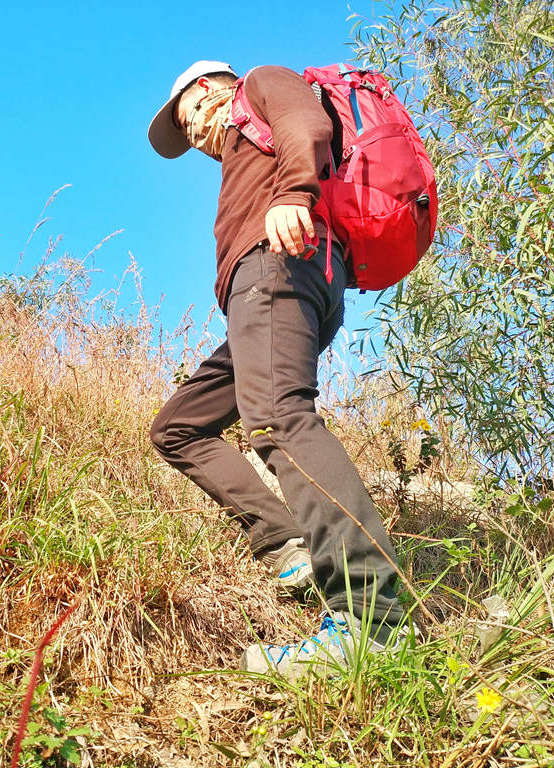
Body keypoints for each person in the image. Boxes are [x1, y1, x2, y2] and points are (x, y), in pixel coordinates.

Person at [147, 61, 412, 676]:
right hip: (268, 283)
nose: (190, 134)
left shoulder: (261, 84)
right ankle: (286, 541)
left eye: (186, 116)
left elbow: (304, 121)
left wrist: (295, 192)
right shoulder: (241, 149)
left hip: (281, 266)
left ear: (209, 89)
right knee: (178, 428)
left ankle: (371, 621)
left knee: (280, 420)